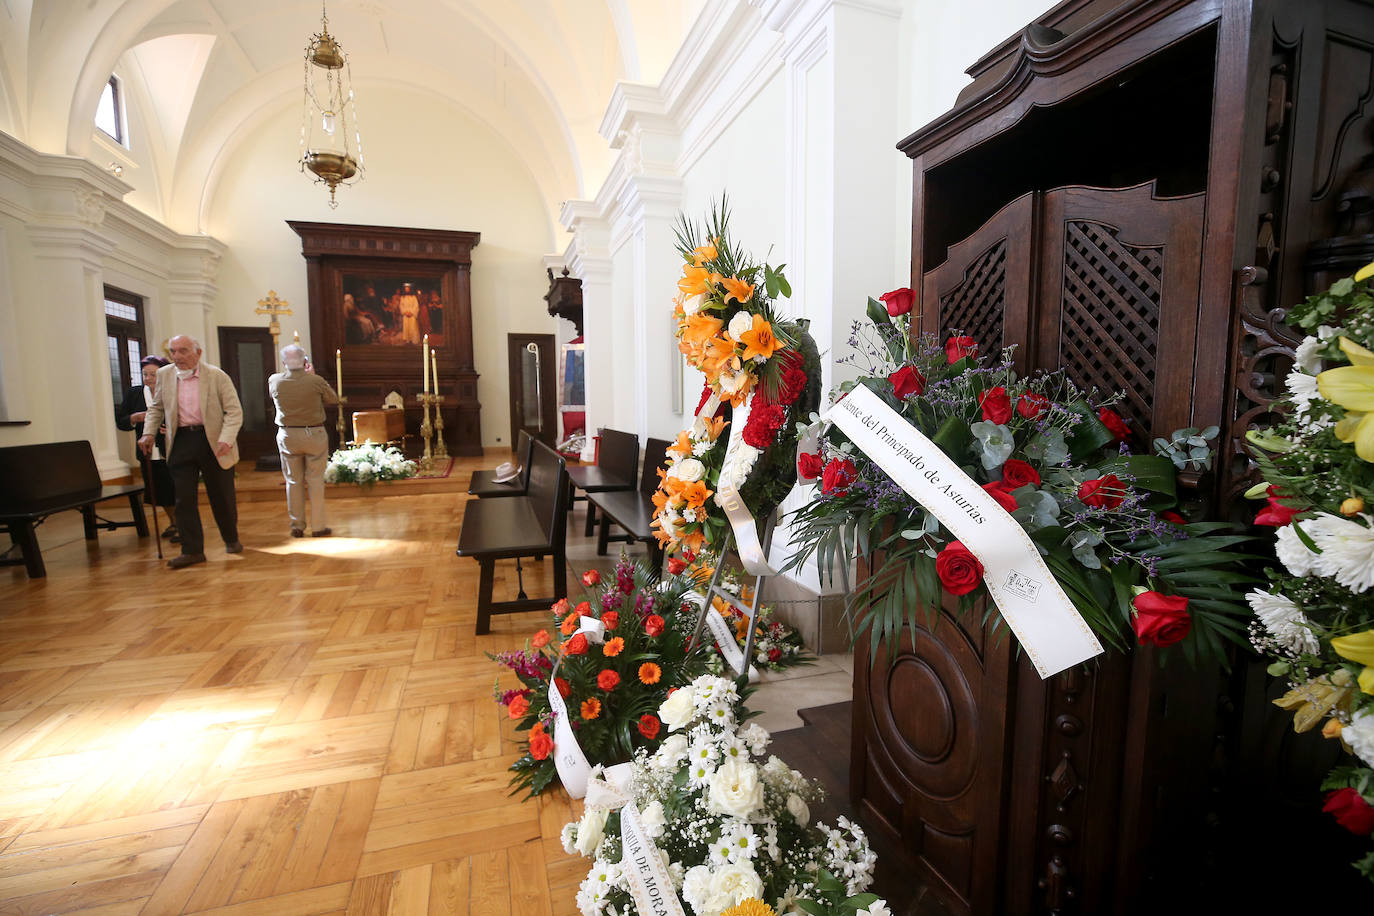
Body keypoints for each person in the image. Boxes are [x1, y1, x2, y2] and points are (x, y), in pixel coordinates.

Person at [139, 335, 243, 569]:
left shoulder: (216, 376)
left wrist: (226, 439)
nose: (178, 356)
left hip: (213, 440)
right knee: (183, 498)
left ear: (198, 353)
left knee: (221, 496)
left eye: (183, 351)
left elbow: (234, 411)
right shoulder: (165, 375)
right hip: (181, 440)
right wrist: (148, 433)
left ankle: (231, 539)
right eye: (174, 351)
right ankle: (192, 550)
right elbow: (156, 408)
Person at [268, 344, 340, 537]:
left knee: (293, 480)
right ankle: (318, 526)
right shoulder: (315, 381)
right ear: (305, 362)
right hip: (313, 434)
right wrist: (313, 376)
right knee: (315, 480)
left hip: (288, 435)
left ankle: (297, 526)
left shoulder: (275, 380)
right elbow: (333, 399)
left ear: (284, 362)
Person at [116, 355, 178, 542]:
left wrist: (170, 428)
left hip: (172, 448)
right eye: (145, 374)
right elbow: (122, 421)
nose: (149, 378)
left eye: (153, 374)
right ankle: (174, 522)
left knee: (175, 487)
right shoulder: (133, 394)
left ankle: (183, 524)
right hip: (149, 452)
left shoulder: (172, 391)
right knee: (159, 489)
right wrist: (135, 418)